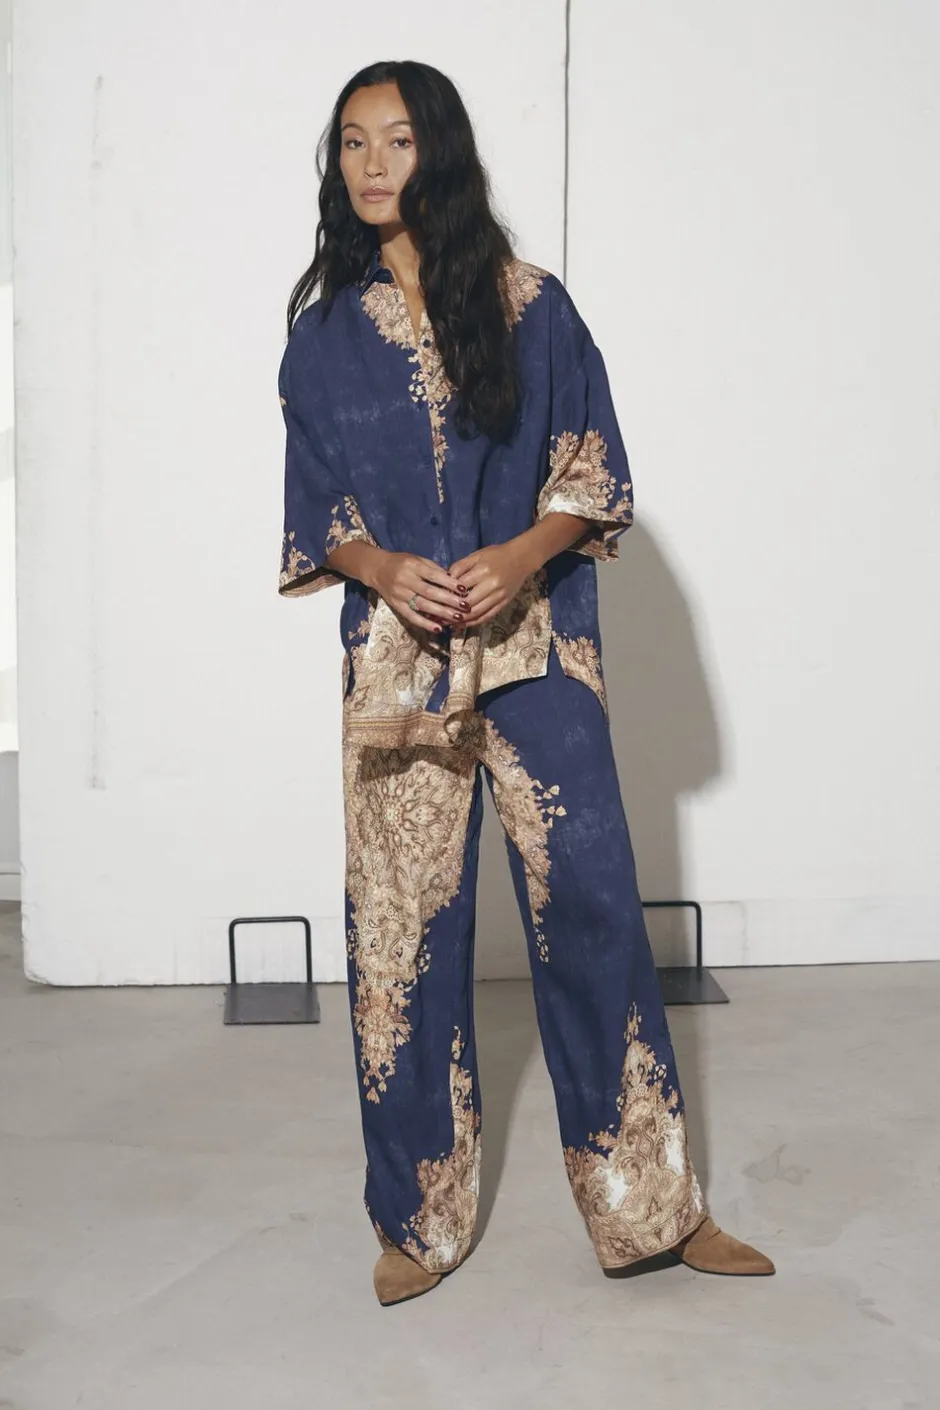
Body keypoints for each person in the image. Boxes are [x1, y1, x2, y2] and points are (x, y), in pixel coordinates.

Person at [277, 59, 775, 1306]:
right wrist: (383, 566)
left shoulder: (530, 304)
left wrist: (518, 555)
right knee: (399, 936)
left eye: (398, 139)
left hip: (535, 650)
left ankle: (655, 1210)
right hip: (395, 671)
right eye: (353, 142)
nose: (373, 163)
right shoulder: (323, 340)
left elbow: (591, 467)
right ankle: (416, 1220)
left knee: (594, 913)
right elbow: (316, 509)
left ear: (439, 152)